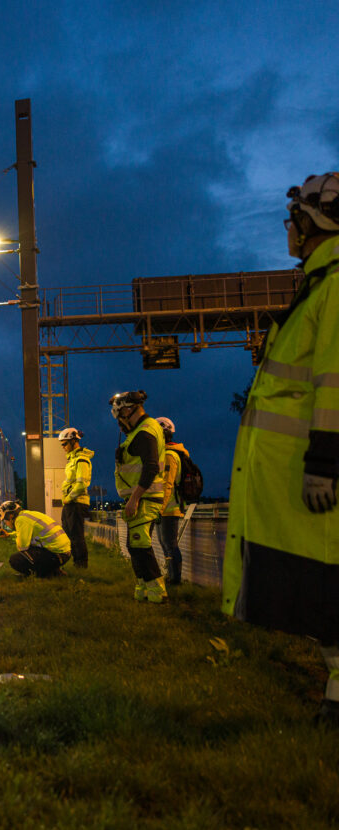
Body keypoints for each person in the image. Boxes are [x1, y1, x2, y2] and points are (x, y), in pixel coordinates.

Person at [223, 172, 339, 723]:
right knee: (319, 594)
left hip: (312, 476)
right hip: (294, 476)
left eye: (294, 219)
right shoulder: (319, 284)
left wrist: (324, 462)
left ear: (314, 222)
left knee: (328, 590)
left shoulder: (336, 284)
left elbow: (335, 380)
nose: (288, 229)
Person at [110, 390, 167, 604]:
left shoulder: (145, 432)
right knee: (135, 545)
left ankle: (157, 593)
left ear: (127, 410)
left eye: (120, 417)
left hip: (144, 499)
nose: (120, 424)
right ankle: (143, 588)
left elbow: (151, 467)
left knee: (140, 544)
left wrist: (134, 498)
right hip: (141, 498)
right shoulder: (142, 431)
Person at [0, 500, 71, 577]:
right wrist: (9, 535)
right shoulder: (27, 515)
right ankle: (54, 570)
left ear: (10, 516)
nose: (6, 524)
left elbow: (22, 547)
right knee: (32, 548)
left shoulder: (20, 520)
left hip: (57, 555)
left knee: (15, 559)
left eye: (5, 521)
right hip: (64, 553)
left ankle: (45, 574)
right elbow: (28, 534)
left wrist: (18, 539)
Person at [156, 416, 187, 585]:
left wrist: (159, 509)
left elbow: (167, 485)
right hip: (166, 508)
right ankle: (171, 577)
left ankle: (175, 580)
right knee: (166, 544)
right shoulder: (166, 454)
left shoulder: (169, 456)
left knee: (170, 545)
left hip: (168, 508)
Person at [58, 426, 93, 568]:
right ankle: (73, 562)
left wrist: (69, 498)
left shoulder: (81, 460)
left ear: (74, 441)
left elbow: (81, 484)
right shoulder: (72, 460)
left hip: (76, 503)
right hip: (70, 503)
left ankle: (81, 564)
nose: (63, 447)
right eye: (62, 444)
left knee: (76, 535)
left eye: (65, 444)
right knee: (67, 534)